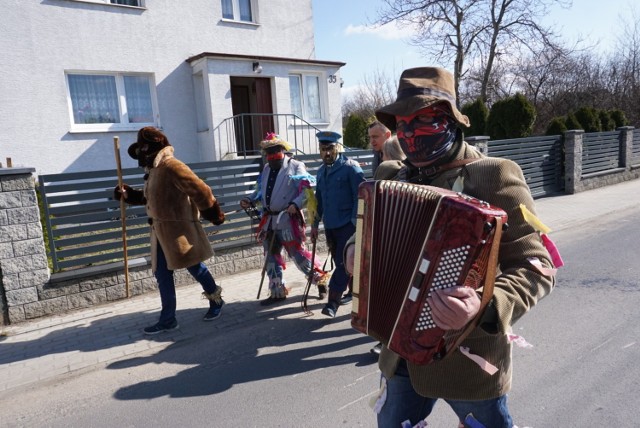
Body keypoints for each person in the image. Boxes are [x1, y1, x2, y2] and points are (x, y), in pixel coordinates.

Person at [345, 67, 556, 427]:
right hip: (399, 355)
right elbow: (364, 232)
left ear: (451, 120)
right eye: (403, 124)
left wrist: (484, 305)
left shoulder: (494, 174)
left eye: (423, 121)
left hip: (468, 360)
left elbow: (537, 265)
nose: (410, 134)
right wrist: (354, 251)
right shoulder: (390, 175)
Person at [114, 126, 226, 335]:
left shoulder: (172, 166)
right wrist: (128, 195)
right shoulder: (154, 171)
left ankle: (216, 300)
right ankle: (168, 319)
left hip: (179, 232)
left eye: (144, 149)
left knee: (195, 268)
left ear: (154, 147)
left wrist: (214, 214)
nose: (141, 154)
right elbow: (150, 199)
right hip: (159, 233)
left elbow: (201, 190)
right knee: (162, 275)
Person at [240, 133, 329, 306]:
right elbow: (260, 189)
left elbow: (306, 189)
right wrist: (250, 199)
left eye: (274, 151)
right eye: (267, 153)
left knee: (299, 255)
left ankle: (321, 280)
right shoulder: (266, 169)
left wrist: (296, 204)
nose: (271, 156)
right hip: (269, 221)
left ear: (282, 150)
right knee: (271, 257)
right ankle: (277, 291)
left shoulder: (296, 166)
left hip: (288, 219)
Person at [312, 131, 366, 318]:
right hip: (330, 226)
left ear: (338, 148)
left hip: (347, 226)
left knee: (343, 264)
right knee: (340, 262)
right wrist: (314, 224)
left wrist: (355, 223)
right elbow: (319, 200)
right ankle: (354, 292)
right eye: (322, 149)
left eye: (330, 149)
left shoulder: (351, 168)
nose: (326, 153)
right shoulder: (320, 171)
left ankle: (332, 303)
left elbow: (361, 197)